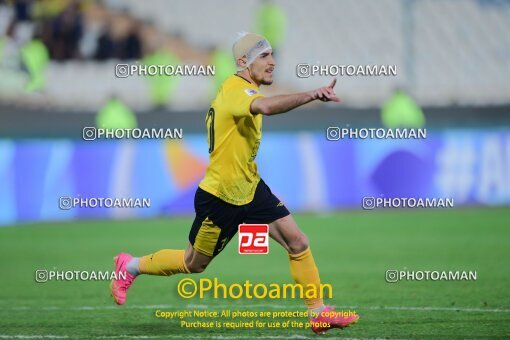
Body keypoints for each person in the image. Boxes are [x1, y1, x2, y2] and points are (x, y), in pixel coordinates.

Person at [110, 32, 359, 334]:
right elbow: (266, 107)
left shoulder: (246, 90)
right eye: (264, 56)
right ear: (243, 62)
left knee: (298, 242)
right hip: (220, 197)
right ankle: (130, 265)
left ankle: (317, 312)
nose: (272, 62)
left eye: (271, 55)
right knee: (193, 263)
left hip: (250, 188)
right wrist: (311, 94)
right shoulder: (234, 89)